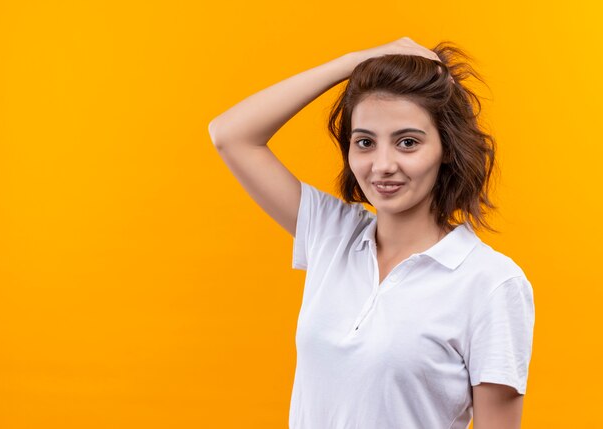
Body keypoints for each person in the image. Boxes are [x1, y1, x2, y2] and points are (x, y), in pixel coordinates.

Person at [208, 37, 535, 429]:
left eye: (407, 143)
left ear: (446, 148)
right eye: (365, 142)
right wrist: (354, 61)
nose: (382, 165)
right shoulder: (332, 235)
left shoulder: (491, 283)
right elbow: (230, 134)